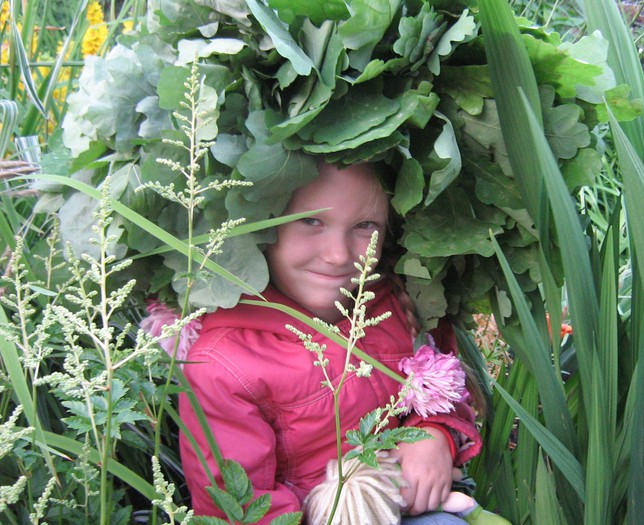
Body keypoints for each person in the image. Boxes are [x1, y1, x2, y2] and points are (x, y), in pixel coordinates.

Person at [178, 161, 485, 524]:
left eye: (364, 226)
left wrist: (434, 436)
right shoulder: (220, 363)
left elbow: (445, 392)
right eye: (311, 221)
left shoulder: (400, 303)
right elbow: (238, 509)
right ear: (257, 223)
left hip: (415, 508)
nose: (339, 255)